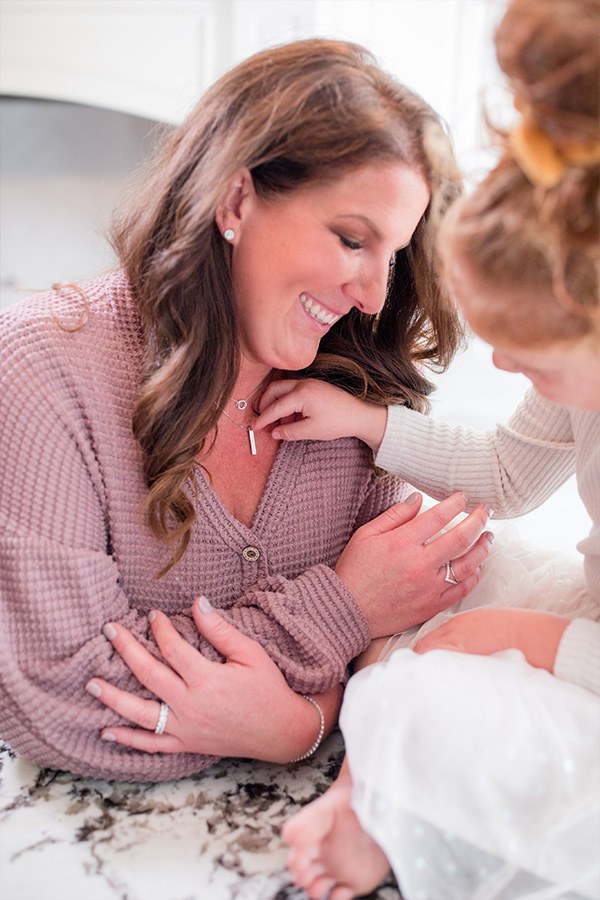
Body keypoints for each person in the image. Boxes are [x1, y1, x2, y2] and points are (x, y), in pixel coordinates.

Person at [0, 39, 493, 782]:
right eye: (351, 238)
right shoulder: (42, 371)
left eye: (390, 254)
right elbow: (63, 699)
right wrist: (340, 614)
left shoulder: (352, 398)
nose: (373, 294)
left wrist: (296, 726)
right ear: (236, 201)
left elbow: (393, 666)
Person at [260, 1, 600, 897]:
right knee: (430, 573)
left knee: (444, 676)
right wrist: (365, 420)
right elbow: (508, 478)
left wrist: (518, 638)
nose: (501, 362)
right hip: (589, 622)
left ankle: (380, 803)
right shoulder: (575, 379)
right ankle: (364, 794)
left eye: (525, 344)